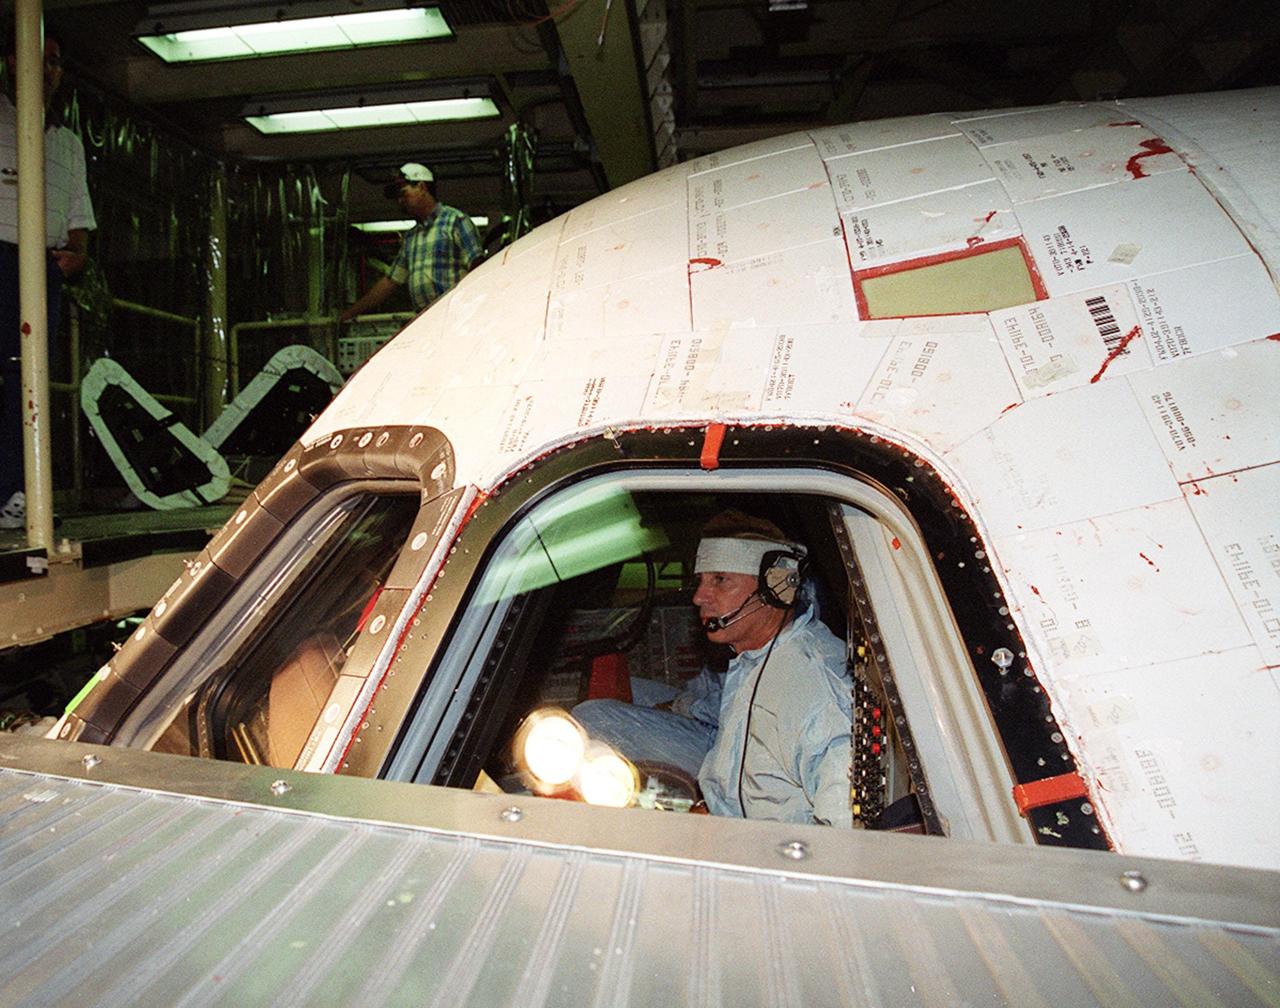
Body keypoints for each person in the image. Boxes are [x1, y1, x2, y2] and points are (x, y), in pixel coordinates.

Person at [575, 511, 854, 826]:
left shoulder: (813, 687)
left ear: (777, 586)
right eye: (701, 581)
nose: (698, 597)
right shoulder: (754, 656)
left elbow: (842, 829)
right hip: (722, 815)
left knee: (591, 718)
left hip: (753, 849)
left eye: (720, 580)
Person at [0, 29, 94, 529]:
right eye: (41, 58)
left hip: (43, 268)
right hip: (1, 258)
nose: (49, 70)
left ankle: (22, 491)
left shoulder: (68, 143)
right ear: (12, 61)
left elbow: (80, 221)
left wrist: (76, 254)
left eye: (56, 62)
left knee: (29, 376)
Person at [339, 163, 481, 321]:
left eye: (403, 194)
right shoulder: (411, 238)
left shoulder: (456, 221)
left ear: (421, 187)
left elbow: (479, 267)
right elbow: (390, 281)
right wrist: (349, 314)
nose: (400, 201)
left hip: (455, 315)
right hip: (425, 319)